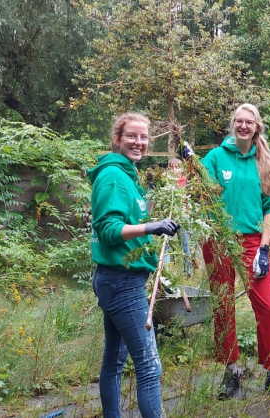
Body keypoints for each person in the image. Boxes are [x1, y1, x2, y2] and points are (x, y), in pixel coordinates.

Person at [88, 112, 180, 418]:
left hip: (120, 280)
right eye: (131, 136)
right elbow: (108, 231)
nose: (138, 142)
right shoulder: (113, 177)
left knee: (115, 361)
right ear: (117, 139)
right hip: (121, 283)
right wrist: (150, 227)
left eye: (143, 137)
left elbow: (129, 227)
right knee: (150, 366)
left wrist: (155, 230)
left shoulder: (127, 175)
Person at [199, 103, 270, 400]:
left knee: (268, 306)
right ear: (232, 124)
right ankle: (231, 369)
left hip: (252, 241)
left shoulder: (265, 163)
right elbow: (199, 189)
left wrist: (264, 247)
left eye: (249, 122)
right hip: (218, 240)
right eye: (239, 121)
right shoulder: (214, 157)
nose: (243, 126)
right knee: (224, 305)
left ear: (256, 127)